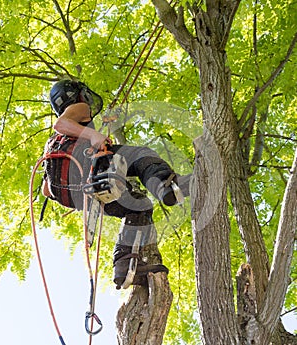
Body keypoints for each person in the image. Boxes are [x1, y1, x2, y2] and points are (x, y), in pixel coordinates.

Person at [42, 79, 190, 289]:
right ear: (75, 95)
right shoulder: (79, 109)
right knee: (141, 155)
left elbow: (46, 190)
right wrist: (93, 134)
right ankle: (165, 185)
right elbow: (60, 124)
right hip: (85, 168)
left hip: (75, 193)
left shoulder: (53, 146)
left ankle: (124, 266)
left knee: (138, 205)